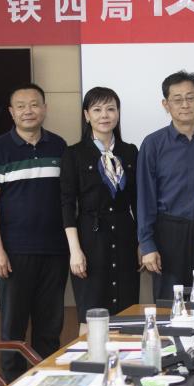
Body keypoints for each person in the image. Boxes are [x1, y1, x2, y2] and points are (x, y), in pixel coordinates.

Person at [0, 83, 68, 379]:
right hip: (14, 253)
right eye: (20, 106)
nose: (28, 111)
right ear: (11, 112)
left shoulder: (59, 146)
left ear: (44, 108)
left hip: (55, 251)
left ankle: (46, 385)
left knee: (49, 328)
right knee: (12, 330)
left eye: (34, 104)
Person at [137, 70, 194, 300]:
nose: (185, 105)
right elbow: (145, 198)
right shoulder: (153, 144)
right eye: (177, 99)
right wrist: (147, 244)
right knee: (170, 305)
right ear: (166, 104)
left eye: (190, 97)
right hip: (168, 234)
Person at [61, 87, 141, 327]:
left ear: (118, 113)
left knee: (127, 313)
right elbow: (67, 204)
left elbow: (138, 201)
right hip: (90, 239)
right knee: (92, 314)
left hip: (125, 237)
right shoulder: (73, 154)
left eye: (110, 109)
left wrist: (142, 242)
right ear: (87, 115)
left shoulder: (130, 151)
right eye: (97, 110)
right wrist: (75, 250)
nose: (104, 115)